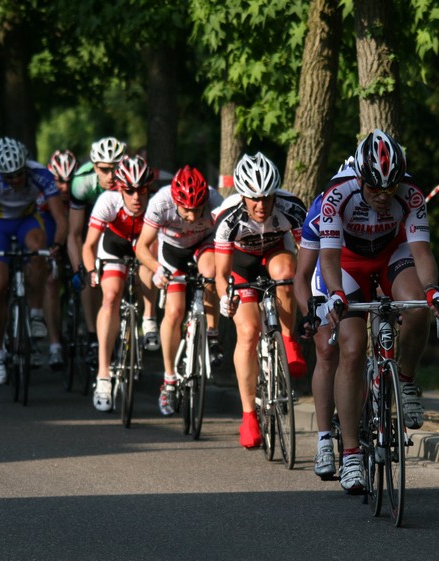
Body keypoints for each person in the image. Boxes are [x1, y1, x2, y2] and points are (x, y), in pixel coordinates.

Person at [320, 129, 439, 493]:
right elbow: (327, 257)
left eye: (390, 189)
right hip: (348, 262)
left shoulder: (410, 193)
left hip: (391, 254)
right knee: (351, 348)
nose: (382, 197)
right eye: (375, 189)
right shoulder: (337, 194)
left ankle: (405, 380)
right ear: (360, 178)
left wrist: (432, 290)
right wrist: (335, 294)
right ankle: (350, 454)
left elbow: (421, 251)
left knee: (418, 308)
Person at [214, 152, 308, 449]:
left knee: (287, 273)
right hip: (241, 265)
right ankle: (248, 417)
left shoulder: (292, 207)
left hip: (275, 254)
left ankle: (289, 341)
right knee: (248, 333)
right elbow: (221, 274)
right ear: (242, 195)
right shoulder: (228, 217)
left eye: (267, 197)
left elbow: (308, 257)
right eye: (254, 198)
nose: (261, 205)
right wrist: (224, 298)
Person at [0, 137, 67, 384]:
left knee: (39, 249)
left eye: (18, 174)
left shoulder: (40, 173)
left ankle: (35, 313)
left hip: (26, 220)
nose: (14, 180)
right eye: (8, 177)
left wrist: (57, 244)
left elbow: (60, 216)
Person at [135, 165, 225, 417]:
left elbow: (227, 239)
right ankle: (169, 379)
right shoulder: (161, 202)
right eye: (186, 209)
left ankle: (212, 334)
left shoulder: (215, 200)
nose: (192, 215)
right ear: (175, 201)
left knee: (210, 272)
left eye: (198, 209)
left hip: (203, 245)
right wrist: (156, 269)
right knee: (174, 311)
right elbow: (142, 246)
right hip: (172, 250)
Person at [293, 157, 353, 479]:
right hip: (325, 272)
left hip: (362, 269)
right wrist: (309, 314)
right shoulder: (322, 208)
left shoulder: (384, 206)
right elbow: (302, 275)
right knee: (327, 351)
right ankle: (324, 440)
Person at [83, 155, 155, 412]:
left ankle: (149, 318)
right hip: (114, 246)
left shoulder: (155, 204)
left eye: (142, 190)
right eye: (130, 191)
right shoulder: (108, 201)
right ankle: (104, 374)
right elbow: (89, 245)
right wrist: (92, 271)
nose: (136, 197)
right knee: (111, 296)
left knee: (150, 263)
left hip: (143, 245)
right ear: (119, 189)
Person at [37, 149, 77, 369]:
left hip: (74, 238)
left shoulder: (81, 194)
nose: (65, 188)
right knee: (51, 283)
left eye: (70, 181)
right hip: (50, 235)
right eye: (60, 182)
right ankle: (54, 345)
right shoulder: (43, 197)